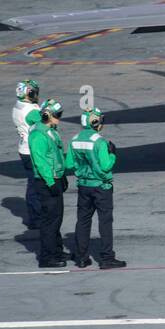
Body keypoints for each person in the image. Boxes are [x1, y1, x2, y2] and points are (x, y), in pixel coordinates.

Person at [70, 109, 125, 269]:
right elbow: (105, 166)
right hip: (101, 187)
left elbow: (69, 164)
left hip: (83, 186)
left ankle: (81, 257)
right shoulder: (100, 142)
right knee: (105, 222)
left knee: (83, 220)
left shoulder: (74, 140)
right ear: (95, 122)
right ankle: (107, 258)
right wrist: (112, 154)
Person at [28, 98, 75, 268]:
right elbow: (41, 162)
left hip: (55, 178)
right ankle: (47, 257)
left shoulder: (50, 130)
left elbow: (56, 156)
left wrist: (61, 176)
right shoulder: (38, 136)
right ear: (47, 115)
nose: (59, 118)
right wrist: (51, 181)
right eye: (57, 115)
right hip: (46, 182)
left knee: (57, 218)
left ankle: (56, 250)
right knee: (49, 221)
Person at [12, 79, 42, 230]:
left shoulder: (18, 107)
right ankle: (36, 217)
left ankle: (34, 216)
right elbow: (46, 123)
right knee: (36, 186)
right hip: (32, 151)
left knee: (32, 184)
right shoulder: (31, 111)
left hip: (23, 149)